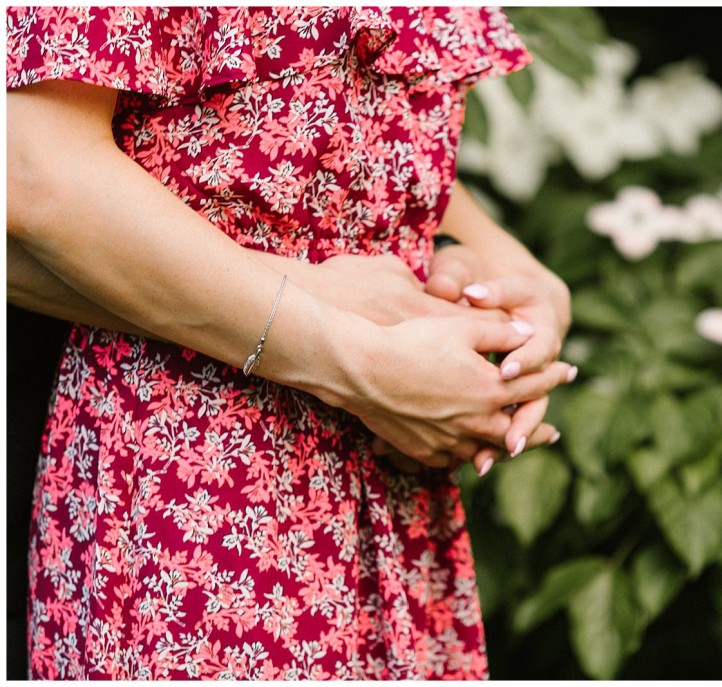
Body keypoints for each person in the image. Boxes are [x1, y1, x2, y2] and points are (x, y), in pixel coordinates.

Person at [6, 6, 572, 680]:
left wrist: (516, 279)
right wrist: (356, 357)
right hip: (200, 477)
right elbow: (35, 171)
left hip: (388, 487)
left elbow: (314, 114)